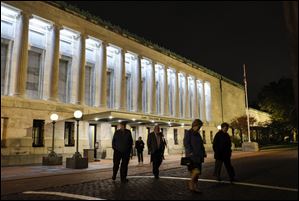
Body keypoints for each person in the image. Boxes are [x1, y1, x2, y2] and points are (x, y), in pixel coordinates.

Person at [184, 119, 206, 193]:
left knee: (198, 174)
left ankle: (195, 187)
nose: (199, 128)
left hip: (199, 156)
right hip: (191, 157)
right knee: (196, 171)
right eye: (199, 126)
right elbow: (186, 143)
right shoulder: (188, 133)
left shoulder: (198, 134)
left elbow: (201, 144)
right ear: (195, 125)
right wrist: (190, 152)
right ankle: (190, 183)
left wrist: (204, 152)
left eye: (200, 127)